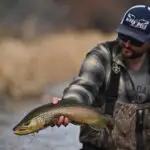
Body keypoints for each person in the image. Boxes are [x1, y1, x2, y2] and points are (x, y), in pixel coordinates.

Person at [51, 5, 150, 150]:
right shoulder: (101, 56)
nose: (127, 44)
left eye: (136, 40)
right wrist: (70, 103)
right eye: (124, 36)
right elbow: (83, 85)